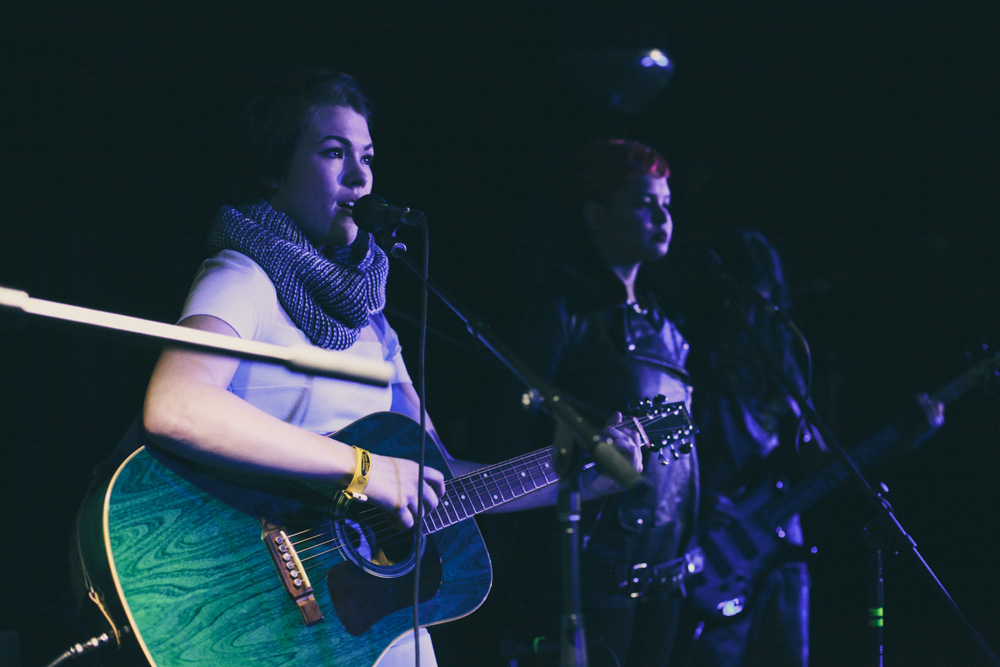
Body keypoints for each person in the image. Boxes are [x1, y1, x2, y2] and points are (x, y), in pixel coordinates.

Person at [74, 68, 642, 667]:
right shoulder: (243, 276)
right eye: (332, 152)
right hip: (254, 597)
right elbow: (176, 406)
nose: (360, 176)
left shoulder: (371, 318)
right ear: (273, 171)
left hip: (360, 620)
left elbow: (438, 477)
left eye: (367, 156)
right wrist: (361, 469)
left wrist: (578, 477)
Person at [682, 229, 945, 667]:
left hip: (782, 532)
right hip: (710, 527)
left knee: (787, 654)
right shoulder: (696, 350)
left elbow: (816, 458)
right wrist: (699, 500)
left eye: (768, 298)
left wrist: (902, 440)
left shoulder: (786, 358)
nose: (760, 310)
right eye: (749, 298)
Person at [492, 138, 698, 667]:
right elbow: (513, 428)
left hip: (666, 566)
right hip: (591, 570)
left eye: (667, 204)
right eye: (643, 202)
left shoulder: (664, 318)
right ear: (596, 214)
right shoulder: (563, 306)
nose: (662, 216)